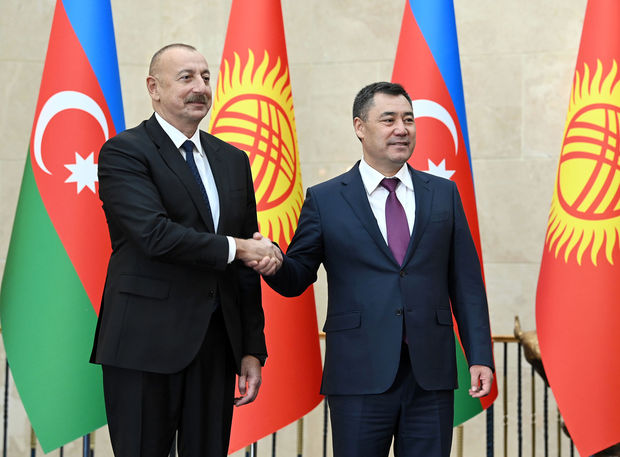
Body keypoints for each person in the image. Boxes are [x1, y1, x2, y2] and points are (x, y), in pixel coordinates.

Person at [257, 82, 494, 457]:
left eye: (409, 119)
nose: (402, 129)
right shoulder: (326, 199)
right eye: (389, 120)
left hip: (430, 375)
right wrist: (273, 262)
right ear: (360, 127)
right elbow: (297, 276)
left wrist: (479, 355)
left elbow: (466, 284)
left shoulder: (443, 193)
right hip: (358, 374)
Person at [90, 43, 281, 457]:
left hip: (215, 345)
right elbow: (154, 235)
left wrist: (251, 348)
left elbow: (244, 264)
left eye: (206, 77)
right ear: (153, 88)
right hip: (143, 343)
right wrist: (239, 247)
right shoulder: (125, 151)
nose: (200, 87)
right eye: (186, 77)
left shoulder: (233, 160)